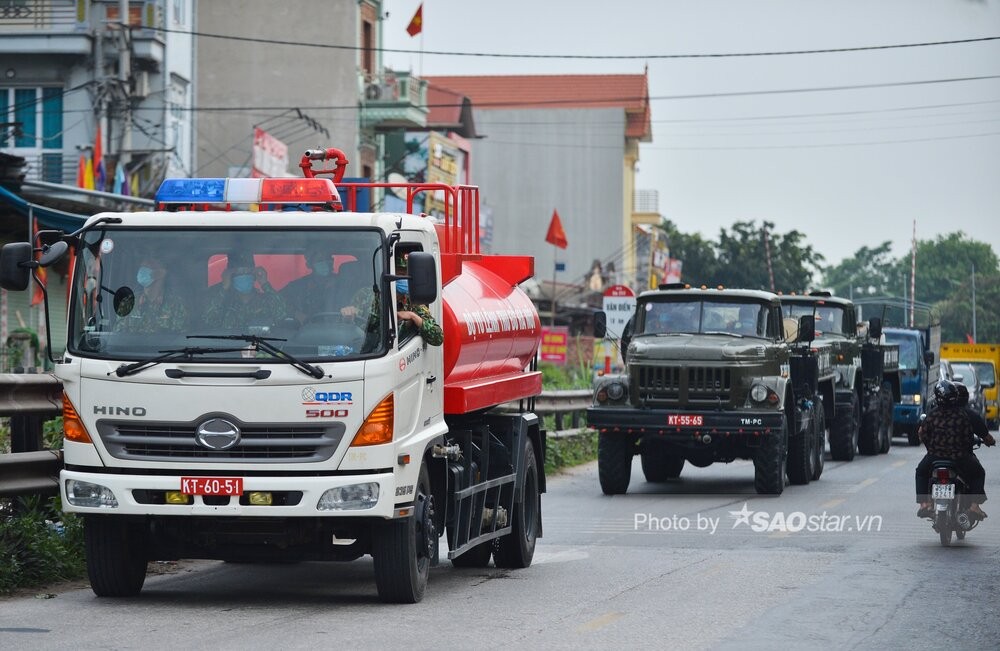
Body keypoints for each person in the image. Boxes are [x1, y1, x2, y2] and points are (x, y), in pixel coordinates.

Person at [915, 380, 995, 520]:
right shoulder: (963, 416)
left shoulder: (932, 415)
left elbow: (922, 434)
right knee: (978, 473)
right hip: (959, 458)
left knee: (921, 471)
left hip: (934, 458)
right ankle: (974, 506)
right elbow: (968, 436)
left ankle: (924, 504)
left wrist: (931, 447)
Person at [342, 250, 443, 347]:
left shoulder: (412, 301)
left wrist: (413, 316)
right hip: (366, 350)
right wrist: (348, 317)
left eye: (406, 275)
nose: (404, 278)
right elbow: (345, 327)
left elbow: (438, 338)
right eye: (400, 274)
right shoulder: (366, 295)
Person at [203, 251, 286, 330]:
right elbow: (207, 320)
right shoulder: (223, 302)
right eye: (239, 272)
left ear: (254, 274)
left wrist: (265, 284)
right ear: (231, 276)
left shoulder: (266, 301)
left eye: (248, 271)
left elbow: (282, 315)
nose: (244, 275)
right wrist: (224, 287)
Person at [115, 253, 188, 333]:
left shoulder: (176, 304)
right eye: (141, 267)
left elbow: (179, 339)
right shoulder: (128, 302)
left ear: (161, 273)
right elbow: (118, 334)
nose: (142, 271)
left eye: (148, 267)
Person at [281, 245, 355, 323]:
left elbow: (355, 308)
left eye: (328, 259)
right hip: (305, 331)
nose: (325, 263)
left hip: (338, 331)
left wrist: (349, 315)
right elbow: (280, 302)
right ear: (309, 264)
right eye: (320, 260)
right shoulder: (298, 286)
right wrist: (296, 314)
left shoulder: (344, 285)